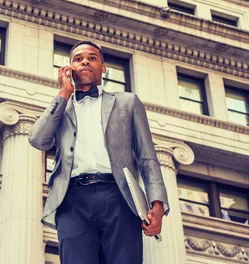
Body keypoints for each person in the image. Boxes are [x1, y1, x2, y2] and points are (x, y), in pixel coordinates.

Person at [29, 41, 169, 264]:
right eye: (78, 58)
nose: (85, 61)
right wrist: (64, 92)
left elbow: (147, 157)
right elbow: (38, 140)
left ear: (103, 68)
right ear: (69, 68)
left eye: (92, 58)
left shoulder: (128, 102)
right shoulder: (61, 107)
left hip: (119, 196)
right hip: (72, 200)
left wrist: (158, 205)